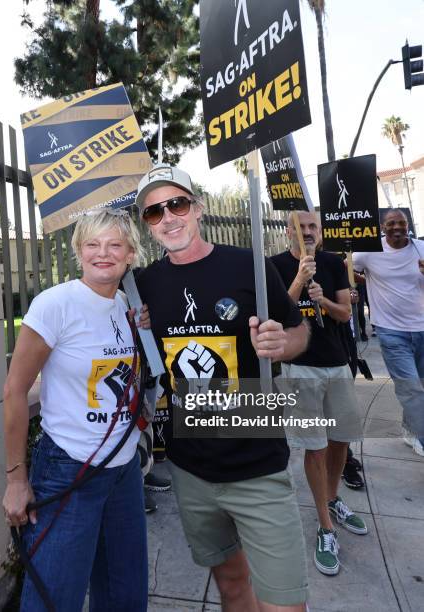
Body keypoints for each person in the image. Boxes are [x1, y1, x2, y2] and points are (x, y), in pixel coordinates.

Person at [135, 164, 310, 612]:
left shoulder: (248, 265)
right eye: (154, 212)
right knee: (232, 587)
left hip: (257, 464)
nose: (168, 217)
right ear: (147, 225)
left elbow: (298, 333)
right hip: (191, 468)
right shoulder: (145, 285)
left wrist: (280, 344)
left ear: (198, 208)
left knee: (285, 604)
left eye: (176, 204)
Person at [2, 209, 149, 612]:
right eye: (92, 244)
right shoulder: (55, 304)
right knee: (54, 599)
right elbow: (15, 390)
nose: (103, 253)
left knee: (126, 597)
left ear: (131, 254)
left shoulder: (130, 307)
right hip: (69, 467)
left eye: (114, 244)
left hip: (123, 472)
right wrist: (16, 479)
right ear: (78, 252)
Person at [271, 211, 367, 577]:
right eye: (301, 226)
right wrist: (298, 280)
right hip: (300, 369)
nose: (307, 232)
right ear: (288, 231)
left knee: (341, 439)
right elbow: (276, 313)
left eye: (313, 226)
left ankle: (333, 498)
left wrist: (322, 299)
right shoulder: (276, 265)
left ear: (321, 232)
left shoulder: (333, 263)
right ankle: (325, 526)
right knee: (315, 445)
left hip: (337, 364)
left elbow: (345, 313)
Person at [352, 209, 424, 456]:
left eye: (401, 223)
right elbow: (344, 268)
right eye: (391, 223)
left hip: (423, 328)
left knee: (420, 386)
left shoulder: (421, 249)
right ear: (382, 227)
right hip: (391, 331)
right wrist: (365, 281)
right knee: (410, 388)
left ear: (408, 225)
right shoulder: (370, 251)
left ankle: (411, 428)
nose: (397, 227)